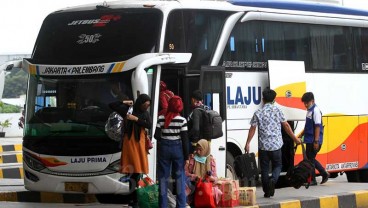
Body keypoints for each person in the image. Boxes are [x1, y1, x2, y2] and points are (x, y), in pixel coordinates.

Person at [245, 89, 301, 198]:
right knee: (278, 165)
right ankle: (273, 180)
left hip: (263, 147)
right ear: (274, 100)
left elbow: (252, 128)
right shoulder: (278, 110)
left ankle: (267, 192)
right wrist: (295, 138)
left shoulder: (258, 112)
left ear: (263, 100)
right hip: (276, 146)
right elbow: (286, 126)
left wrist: (248, 143)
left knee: (265, 169)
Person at [154, 95, 189, 208]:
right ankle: (181, 206)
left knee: (163, 180)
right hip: (177, 149)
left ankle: (163, 206)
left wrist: (165, 139)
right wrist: (187, 157)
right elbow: (184, 140)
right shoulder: (182, 120)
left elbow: (156, 136)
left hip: (164, 149)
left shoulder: (161, 119)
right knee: (180, 179)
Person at [120, 94, 152, 207]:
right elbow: (112, 105)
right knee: (133, 171)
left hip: (140, 144)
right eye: (145, 104)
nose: (147, 106)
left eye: (148, 104)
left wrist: (136, 119)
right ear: (140, 102)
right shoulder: (130, 110)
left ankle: (135, 199)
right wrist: (125, 102)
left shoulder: (145, 114)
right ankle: (132, 199)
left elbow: (149, 124)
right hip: (130, 144)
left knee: (137, 172)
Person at [299, 92, 330, 185]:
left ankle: (313, 180)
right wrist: (301, 134)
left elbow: (317, 126)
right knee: (310, 159)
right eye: (304, 103)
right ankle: (323, 173)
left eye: (307, 103)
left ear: (312, 101)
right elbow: (307, 125)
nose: (305, 105)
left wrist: (316, 141)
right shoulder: (309, 110)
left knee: (309, 160)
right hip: (309, 139)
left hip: (313, 140)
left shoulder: (316, 111)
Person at [185, 139, 221, 205]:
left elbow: (216, 178)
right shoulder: (192, 158)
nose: (198, 152)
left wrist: (211, 178)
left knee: (217, 191)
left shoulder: (211, 160)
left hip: (205, 186)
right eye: (197, 149)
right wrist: (193, 176)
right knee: (186, 184)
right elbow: (185, 173)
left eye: (200, 150)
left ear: (206, 149)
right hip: (195, 184)